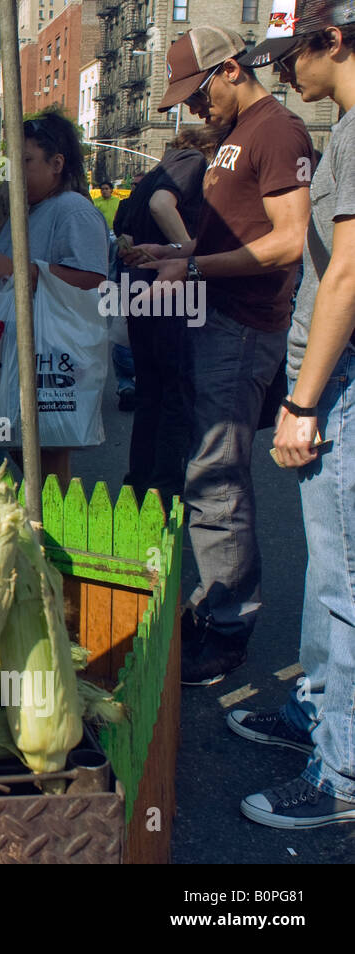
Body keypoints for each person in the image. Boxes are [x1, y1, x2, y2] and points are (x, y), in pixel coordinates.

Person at [124, 26, 313, 687]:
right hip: (219, 321)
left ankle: (227, 627)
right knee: (207, 474)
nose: (192, 111)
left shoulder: (276, 130)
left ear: (231, 69)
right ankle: (216, 609)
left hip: (240, 328)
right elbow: (246, 232)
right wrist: (179, 255)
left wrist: (195, 263)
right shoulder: (239, 134)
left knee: (216, 477)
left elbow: (289, 241)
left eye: (197, 95)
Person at [234, 5, 355, 829]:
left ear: (334, 40)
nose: (282, 71)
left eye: (290, 55)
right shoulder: (342, 127)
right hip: (328, 374)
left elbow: (346, 275)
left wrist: (302, 402)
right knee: (327, 569)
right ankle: (316, 715)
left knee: (345, 579)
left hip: (338, 379)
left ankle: (341, 773)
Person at [0, 108, 109, 481]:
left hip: (53, 350)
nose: (17, 172)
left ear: (56, 163)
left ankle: (54, 526)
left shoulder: (74, 210)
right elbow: (11, 270)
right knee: (22, 440)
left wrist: (24, 270)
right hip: (18, 347)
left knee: (50, 443)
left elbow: (93, 279)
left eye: (26, 161)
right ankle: (42, 515)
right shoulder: (25, 211)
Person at [112, 125, 218, 509]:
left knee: (151, 393)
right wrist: (187, 251)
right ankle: (163, 490)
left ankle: (138, 487)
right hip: (170, 288)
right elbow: (162, 204)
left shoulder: (155, 171)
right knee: (175, 394)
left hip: (141, 288)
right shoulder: (191, 161)